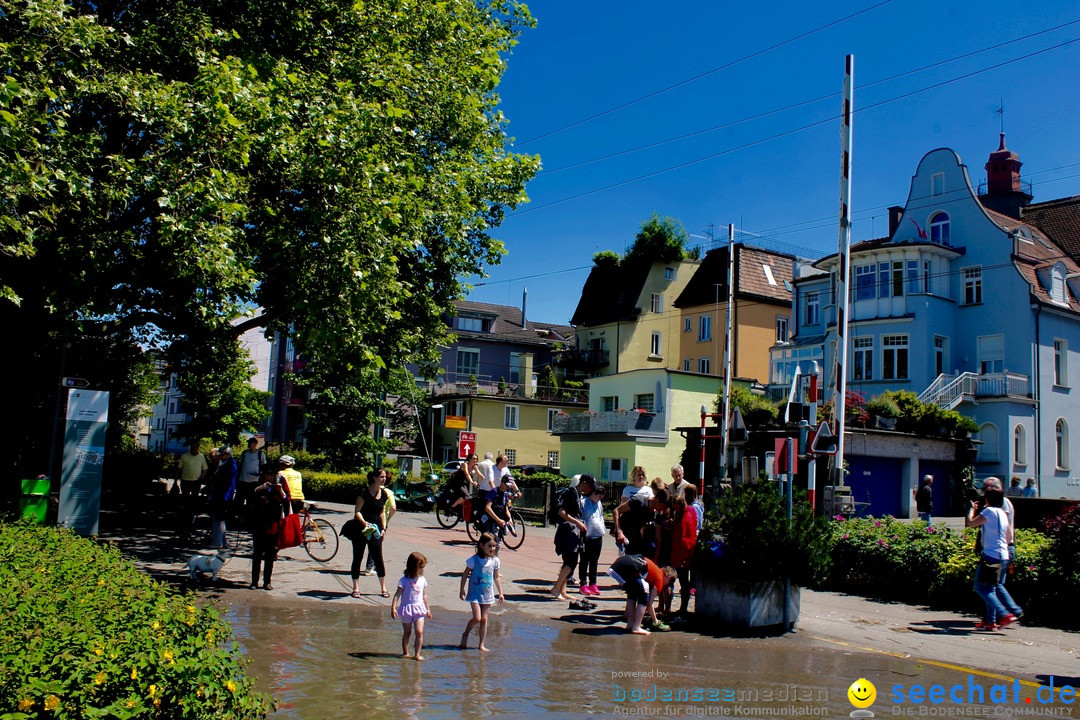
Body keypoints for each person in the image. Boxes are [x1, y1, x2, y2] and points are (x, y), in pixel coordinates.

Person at [965, 477, 1023, 630]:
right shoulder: (1003, 513)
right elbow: (1009, 535)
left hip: (991, 554)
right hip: (1003, 552)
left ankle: (1004, 614)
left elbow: (970, 524)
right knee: (994, 586)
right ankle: (1003, 615)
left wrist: (971, 510)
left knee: (980, 587)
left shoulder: (989, 511)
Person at [550, 474, 595, 601]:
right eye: (590, 486)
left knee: (570, 562)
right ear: (584, 483)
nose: (591, 489)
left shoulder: (577, 494)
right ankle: (556, 588)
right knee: (571, 561)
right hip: (568, 532)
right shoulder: (571, 493)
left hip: (573, 532)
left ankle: (562, 590)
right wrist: (578, 523)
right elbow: (561, 512)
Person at [459, 532, 504, 652]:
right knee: (477, 618)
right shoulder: (474, 560)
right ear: (481, 545)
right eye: (489, 546)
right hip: (474, 594)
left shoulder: (495, 561)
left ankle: (481, 644)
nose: (492, 548)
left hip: (487, 594)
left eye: (494, 546)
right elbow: (465, 574)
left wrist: (500, 592)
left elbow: (496, 577)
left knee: (484, 619)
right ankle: (466, 633)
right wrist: (462, 589)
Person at [608, 553, 673, 635]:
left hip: (618, 566)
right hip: (630, 567)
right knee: (644, 594)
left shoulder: (655, 570)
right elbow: (649, 603)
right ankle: (636, 627)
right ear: (668, 577)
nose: (667, 586)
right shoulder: (660, 578)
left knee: (632, 594)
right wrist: (655, 620)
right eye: (670, 583)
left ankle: (630, 624)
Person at [350, 468, 391, 599]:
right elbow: (357, 511)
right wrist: (364, 523)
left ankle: (383, 588)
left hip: (376, 529)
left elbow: (381, 512)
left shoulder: (383, 494)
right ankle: (356, 588)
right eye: (381, 477)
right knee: (358, 557)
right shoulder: (364, 492)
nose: (384, 479)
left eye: (385, 477)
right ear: (374, 478)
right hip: (361, 528)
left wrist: (384, 527)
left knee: (378, 558)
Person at [250, 461, 290, 591]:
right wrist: (260, 488)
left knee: (269, 555)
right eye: (267, 474)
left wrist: (280, 491)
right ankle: (254, 581)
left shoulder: (280, 482)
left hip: (273, 524)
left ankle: (267, 581)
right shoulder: (259, 483)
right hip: (258, 523)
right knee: (257, 554)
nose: (269, 477)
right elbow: (250, 496)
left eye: (271, 475)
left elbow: (287, 500)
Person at [391, 552, 432, 661]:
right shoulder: (404, 580)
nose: (423, 569)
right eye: (421, 567)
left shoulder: (422, 580)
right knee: (407, 632)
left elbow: (424, 595)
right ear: (414, 567)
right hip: (407, 609)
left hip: (419, 609)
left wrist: (428, 609)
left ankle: (417, 654)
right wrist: (393, 607)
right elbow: (397, 595)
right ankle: (405, 652)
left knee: (419, 631)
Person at [666, 494, 698, 619]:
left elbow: (685, 539)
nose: (675, 510)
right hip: (684, 553)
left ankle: (684, 608)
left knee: (685, 583)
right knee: (685, 583)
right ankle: (684, 607)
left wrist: (684, 557)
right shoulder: (688, 512)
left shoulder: (686, 516)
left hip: (683, 554)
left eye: (676, 507)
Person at [578, 481, 607, 596]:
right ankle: (583, 583)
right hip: (587, 535)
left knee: (594, 561)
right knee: (584, 560)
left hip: (597, 535)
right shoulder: (583, 502)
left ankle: (593, 583)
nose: (599, 499)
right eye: (598, 496)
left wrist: (602, 528)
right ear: (594, 493)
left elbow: (600, 516)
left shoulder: (598, 503)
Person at [206, 446, 237, 548]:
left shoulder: (231, 464)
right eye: (220, 454)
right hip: (217, 494)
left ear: (228, 454)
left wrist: (227, 496)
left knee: (219, 519)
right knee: (217, 518)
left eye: (223, 454)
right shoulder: (222, 463)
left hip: (223, 496)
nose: (221, 456)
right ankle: (222, 541)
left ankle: (217, 542)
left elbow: (230, 483)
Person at [364, 482, 397, 575]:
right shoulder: (388, 493)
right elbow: (393, 508)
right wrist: (388, 519)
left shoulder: (369, 489)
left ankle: (370, 566)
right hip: (380, 522)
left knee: (366, 544)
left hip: (367, 520)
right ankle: (370, 566)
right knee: (375, 544)